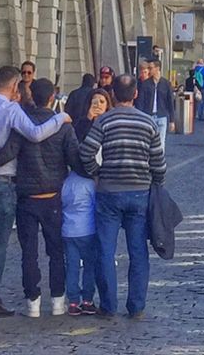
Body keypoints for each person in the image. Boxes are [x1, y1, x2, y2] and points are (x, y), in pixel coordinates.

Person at [0, 65, 71, 319]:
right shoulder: (11, 110)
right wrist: (60, 118)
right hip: (3, 183)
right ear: (13, 87)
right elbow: (34, 133)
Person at [79, 73, 166, 319]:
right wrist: (156, 182)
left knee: (105, 250)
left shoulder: (104, 121)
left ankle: (108, 305)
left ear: (114, 95)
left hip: (109, 191)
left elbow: (86, 152)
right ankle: (136, 305)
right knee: (138, 250)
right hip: (139, 192)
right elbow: (159, 163)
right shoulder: (148, 123)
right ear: (136, 93)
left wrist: (97, 173)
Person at [62, 159, 101, 315]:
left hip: (68, 230)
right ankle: (87, 300)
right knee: (89, 266)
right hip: (87, 229)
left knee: (72, 266)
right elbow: (96, 204)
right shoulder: (89, 183)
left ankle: (72, 302)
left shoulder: (65, 182)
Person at [135, 60, 175, 152]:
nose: (149, 70)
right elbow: (141, 102)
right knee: (148, 141)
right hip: (148, 116)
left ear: (157, 69)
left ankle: (159, 163)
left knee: (161, 142)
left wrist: (172, 121)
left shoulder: (166, 83)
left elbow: (170, 102)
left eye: (150, 68)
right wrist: (140, 117)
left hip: (162, 116)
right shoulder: (145, 84)